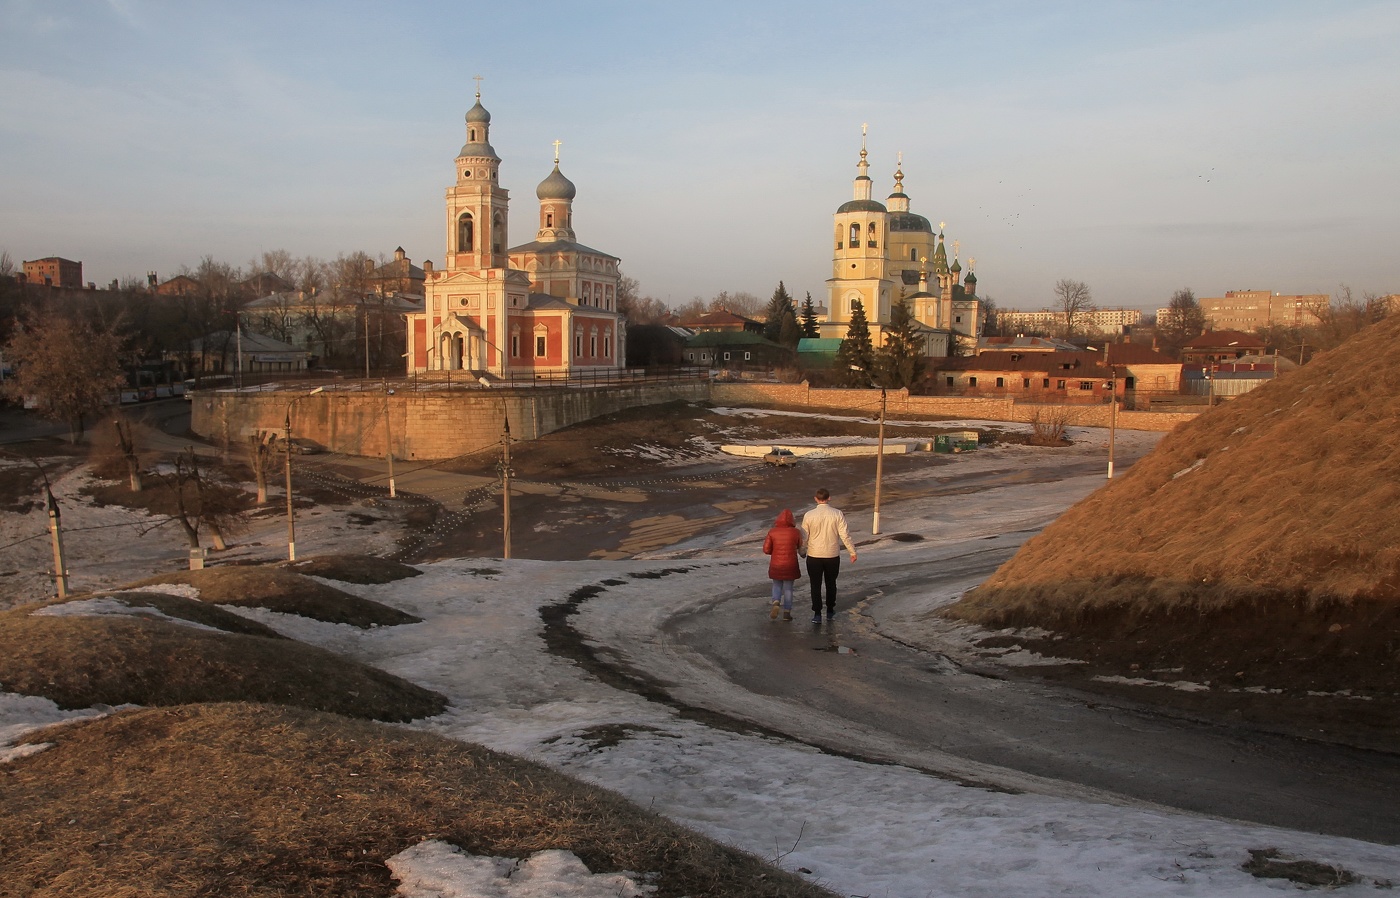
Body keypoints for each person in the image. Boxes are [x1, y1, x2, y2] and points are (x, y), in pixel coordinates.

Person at [800, 488, 857, 623]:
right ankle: (830, 610)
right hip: (832, 555)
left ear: (816, 498)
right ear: (829, 498)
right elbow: (845, 535)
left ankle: (817, 613)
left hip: (814, 555)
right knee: (831, 583)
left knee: (815, 584)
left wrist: (802, 551)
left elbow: (804, 537)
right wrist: (852, 552)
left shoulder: (809, 515)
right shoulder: (837, 514)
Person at [762, 509, 803, 621]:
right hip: (791, 564)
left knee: (776, 584)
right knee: (789, 588)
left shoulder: (772, 532)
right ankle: (787, 612)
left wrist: (774, 552)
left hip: (776, 564)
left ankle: (776, 601)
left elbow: (766, 549)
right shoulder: (796, 532)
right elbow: (801, 546)